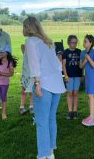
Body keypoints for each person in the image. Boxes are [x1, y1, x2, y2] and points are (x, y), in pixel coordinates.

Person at [23, 16, 65, 159]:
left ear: (28, 27)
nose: (23, 29)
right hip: (56, 84)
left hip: (44, 85)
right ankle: (50, 152)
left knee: (41, 122)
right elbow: (57, 65)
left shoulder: (30, 41)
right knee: (51, 119)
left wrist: (37, 84)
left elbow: (34, 65)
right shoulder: (48, 42)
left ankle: (42, 155)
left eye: (24, 26)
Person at [62, 35, 82, 119]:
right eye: (72, 42)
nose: (74, 44)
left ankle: (75, 111)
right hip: (69, 76)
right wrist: (66, 75)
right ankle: (70, 111)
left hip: (77, 75)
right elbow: (63, 65)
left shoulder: (79, 51)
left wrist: (82, 74)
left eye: (75, 42)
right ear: (68, 43)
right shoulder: (65, 52)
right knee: (70, 93)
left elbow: (81, 65)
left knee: (75, 93)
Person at [0, 45, 16, 121]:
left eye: (3, 52)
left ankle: (3, 114)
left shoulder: (10, 62)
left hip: (5, 84)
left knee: (4, 98)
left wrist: (3, 74)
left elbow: (12, 74)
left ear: (7, 53)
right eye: (1, 52)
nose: (1, 53)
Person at [19, 43, 34, 115]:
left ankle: (31, 107)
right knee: (23, 91)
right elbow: (22, 45)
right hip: (25, 75)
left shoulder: (34, 56)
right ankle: (21, 107)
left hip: (31, 75)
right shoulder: (25, 53)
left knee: (31, 92)